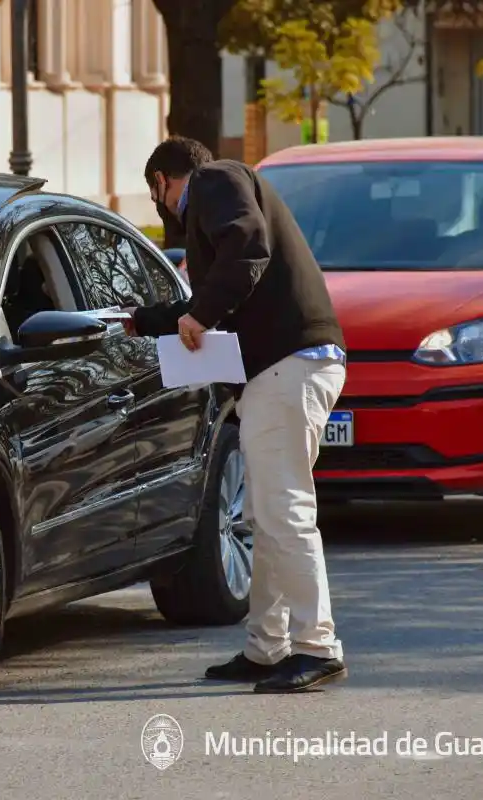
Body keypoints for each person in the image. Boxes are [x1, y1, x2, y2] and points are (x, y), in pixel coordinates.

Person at [124, 136, 349, 694]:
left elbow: (248, 249)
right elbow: (234, 274)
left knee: (283, 512)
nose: (165, 208)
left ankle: (317, 646)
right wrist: (145, 320)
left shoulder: (215, 179)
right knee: (265, 512)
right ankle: (267, 646)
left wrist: (199, 314)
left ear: (161, 181)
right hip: (290, 368)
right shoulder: (225, 190)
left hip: (284, 368)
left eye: (158, 195)